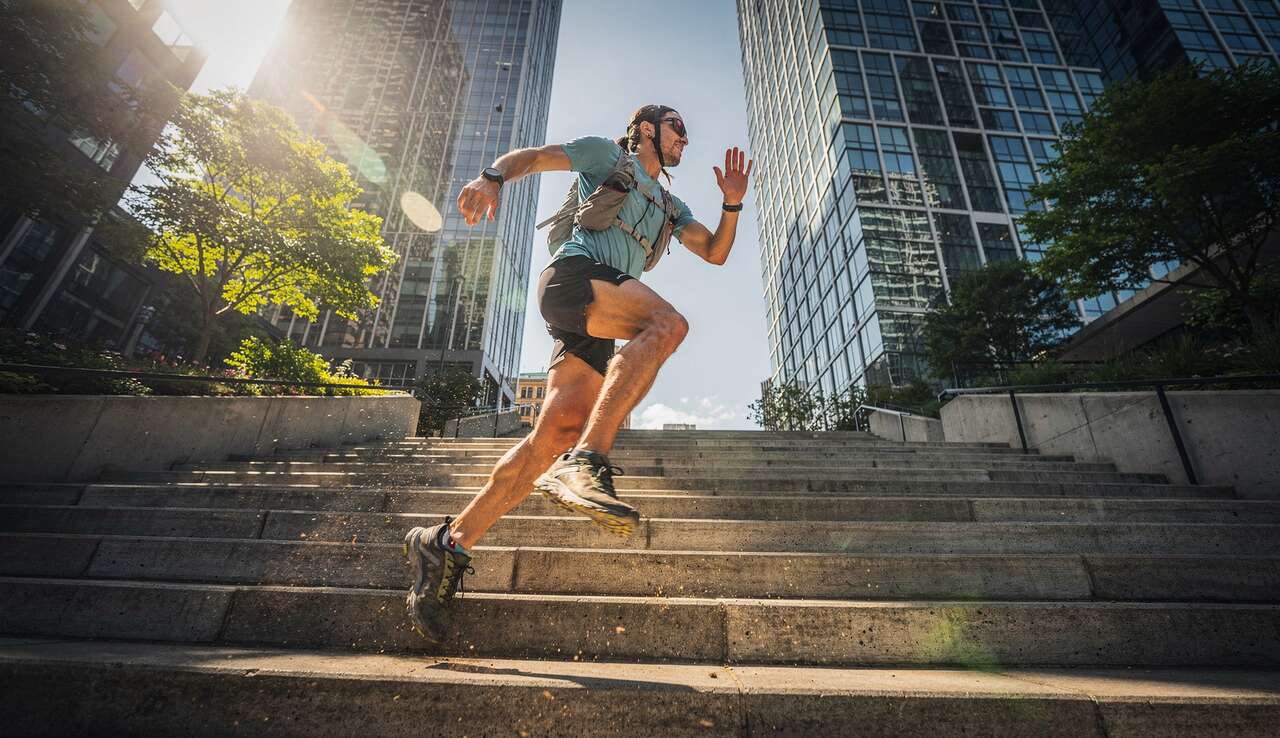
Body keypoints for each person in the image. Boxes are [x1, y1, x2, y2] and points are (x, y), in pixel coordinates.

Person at [403, 104, 752, 643]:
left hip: (596, 316)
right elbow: (535, 157)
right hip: (572, 278)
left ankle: (446, 542)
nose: (685, 137)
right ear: (647, 129)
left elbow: (714, 251)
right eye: (677, 127)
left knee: (553, 435)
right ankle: (589, 460)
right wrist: (491, 177)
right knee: (667, 324)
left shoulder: (671, 204)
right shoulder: (606, 155)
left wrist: (732, 202)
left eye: (686, 131)